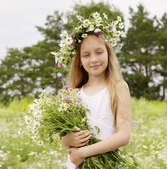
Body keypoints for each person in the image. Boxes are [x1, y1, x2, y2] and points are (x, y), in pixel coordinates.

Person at [54, 12, 132, 169]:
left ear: (108, 54)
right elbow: (63, 139)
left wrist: (84, 152)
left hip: (107, 165)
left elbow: (124, 135)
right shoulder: (72, 94)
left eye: (99, 52)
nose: (94, 59)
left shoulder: (118, 87)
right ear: (80, 61)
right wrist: (70, 140)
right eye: (86, 55)